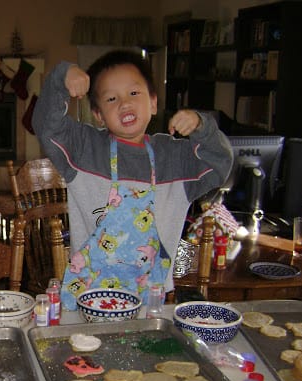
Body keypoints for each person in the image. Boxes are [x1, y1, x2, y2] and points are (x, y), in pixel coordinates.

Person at [32, 50, 233, 310]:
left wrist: (202, 128)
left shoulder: (175, 158)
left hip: (151, 300)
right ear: (99, 115)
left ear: (153, 102)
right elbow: (45, 126)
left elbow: (220, 165)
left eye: (134, 93)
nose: (124, 104)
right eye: (112, 98)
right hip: (88, 297)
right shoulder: (84, 149)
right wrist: (61, 77)